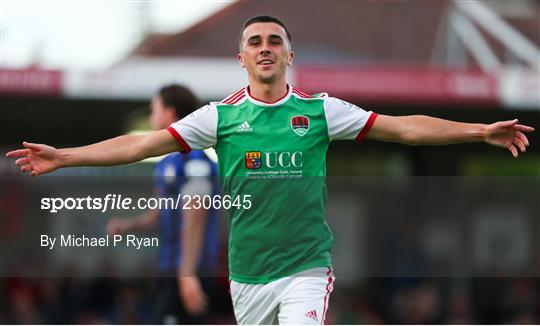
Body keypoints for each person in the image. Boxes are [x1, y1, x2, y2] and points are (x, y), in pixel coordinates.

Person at [6, 15, 534, 325]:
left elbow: (404, 128)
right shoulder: (221, 117)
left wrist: (477, 131)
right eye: (255, 43)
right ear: (241, 59)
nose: (264, 49)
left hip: (305, 269)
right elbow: (141, 142)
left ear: (288, 55)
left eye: (273, 41)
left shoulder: (321, 111)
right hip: (246, 276)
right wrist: (67, 156)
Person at [106, 84, 220, 323]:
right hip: (170, 269)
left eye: (153, 109)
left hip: (191, 270)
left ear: (169, 113)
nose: (151, 116)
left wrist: (187, 272)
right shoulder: (166, 162)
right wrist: (129, 226)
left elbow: (195, 215)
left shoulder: (195, 159)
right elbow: (159, 214)